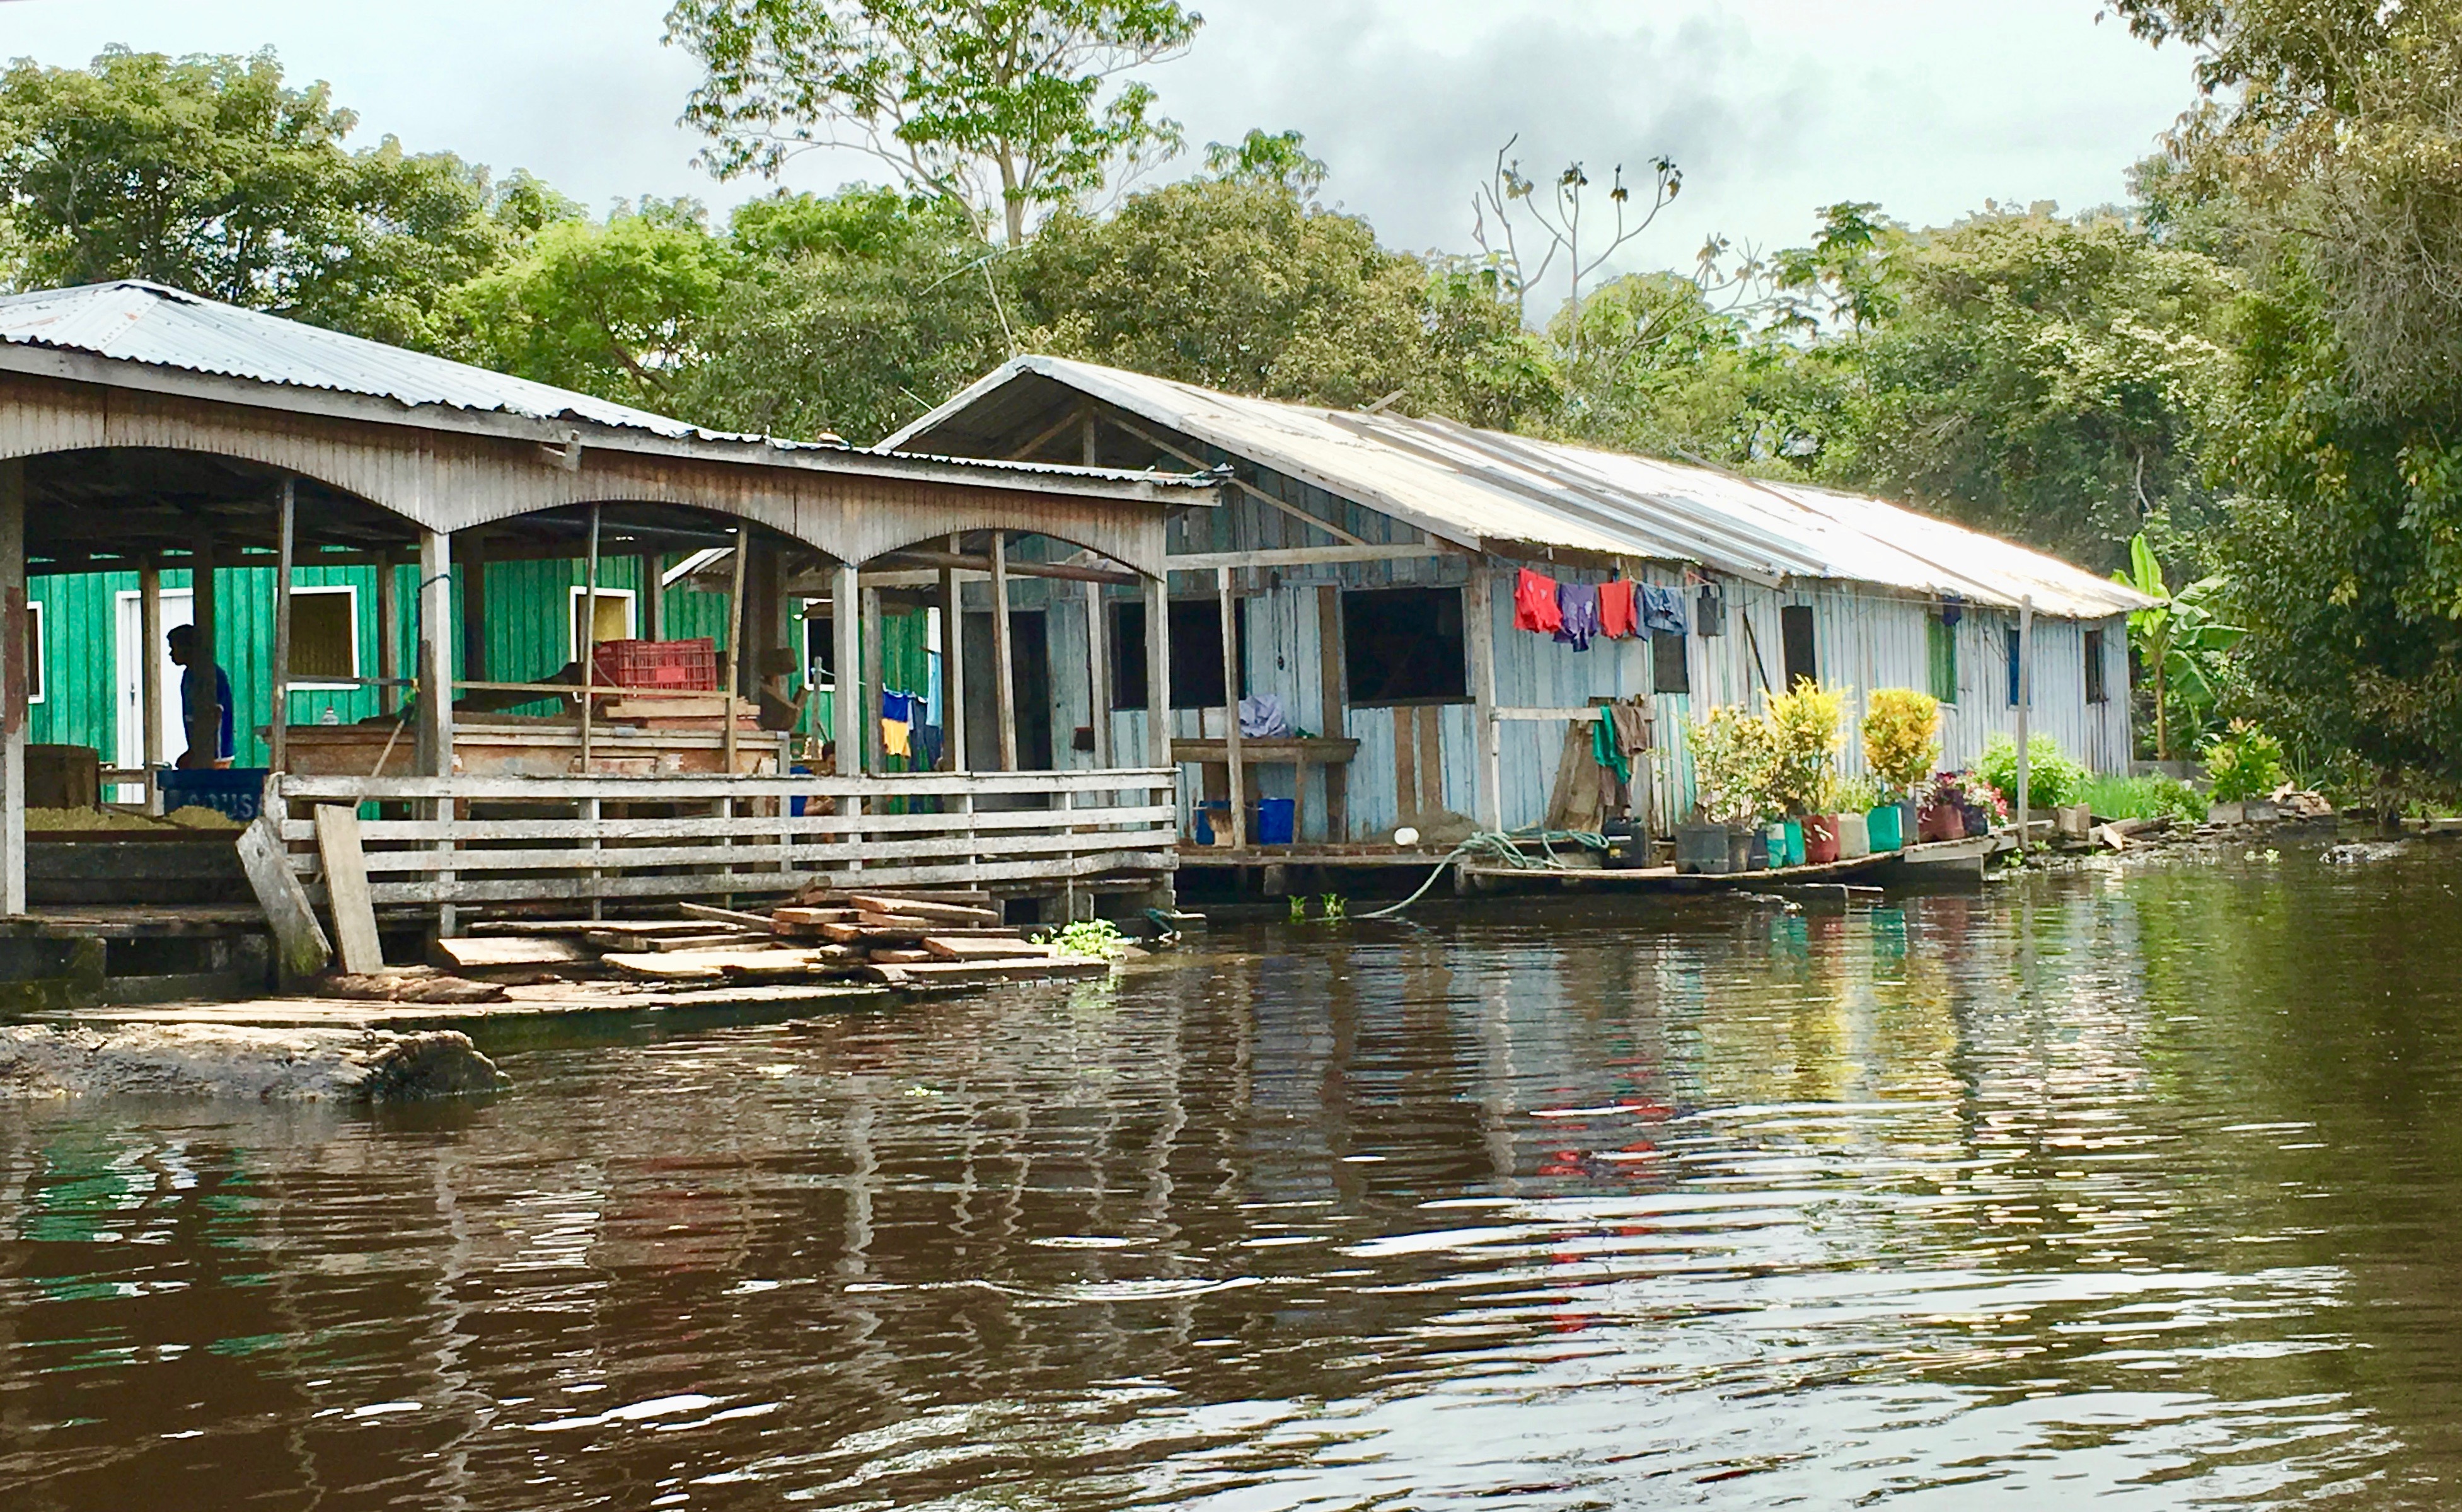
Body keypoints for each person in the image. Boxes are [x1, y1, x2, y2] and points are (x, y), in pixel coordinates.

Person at [165, 623, 233, 769]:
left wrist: (196, 752)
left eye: (174, 648)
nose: (171, 654)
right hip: (201, 751)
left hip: (215, 753)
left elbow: (214, 714)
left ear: (188, 648)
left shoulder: (209, 674)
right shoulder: (189, 674)